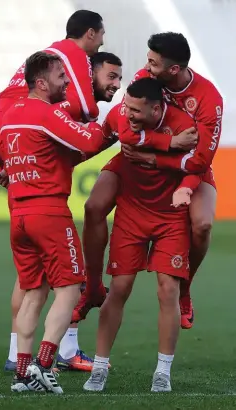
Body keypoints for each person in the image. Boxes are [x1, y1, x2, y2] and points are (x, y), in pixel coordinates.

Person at [0, 10, 112, 372]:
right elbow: (91, 137)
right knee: (69, 288)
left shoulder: (12, 117)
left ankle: (20, 366)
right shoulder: (49, 114)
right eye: (61, 78)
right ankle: (45, 360)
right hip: (48, 211)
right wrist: (119, 120)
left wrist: (9, 168)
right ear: (42, 83)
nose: (68, 84)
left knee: (33, 290)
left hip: (19, 213)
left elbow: (40, 155)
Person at [77, 32, 223, 329]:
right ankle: (92, 288)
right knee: (93, 206)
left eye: (153, 63)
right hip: (136, 157)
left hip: (185, 169)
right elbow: (126, 128)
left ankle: (185, 289)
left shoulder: (208, 99)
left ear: (173, 70)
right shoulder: (146, 79)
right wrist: (167, 144)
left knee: (203, 224)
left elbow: (201, 160)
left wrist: (156, 159)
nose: (145, 67)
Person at [83, 78, 202, 393]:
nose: (128, 114)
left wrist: (178, 179)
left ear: (157, 108)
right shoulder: (126, 115)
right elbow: (114, 135)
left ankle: (163, 371)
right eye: (127, 107)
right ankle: (99, 367)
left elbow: (197, 165)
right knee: (119, 287)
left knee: (167, 291)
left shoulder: (185, 125)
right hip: (132, 211)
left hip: (170, 216)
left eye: (136, 110)